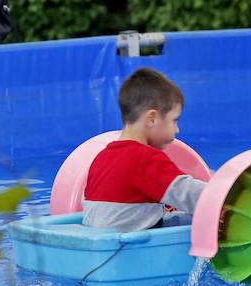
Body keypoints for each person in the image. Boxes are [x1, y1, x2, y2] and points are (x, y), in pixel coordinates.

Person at [82, 68, 206, 232]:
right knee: (202, 222)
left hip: (100, 246)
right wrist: (223, 192)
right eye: (174, 121)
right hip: (134, 250)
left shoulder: (100, 158)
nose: (177, 130)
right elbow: (192, 195)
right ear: (152, 118)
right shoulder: (146, 158)